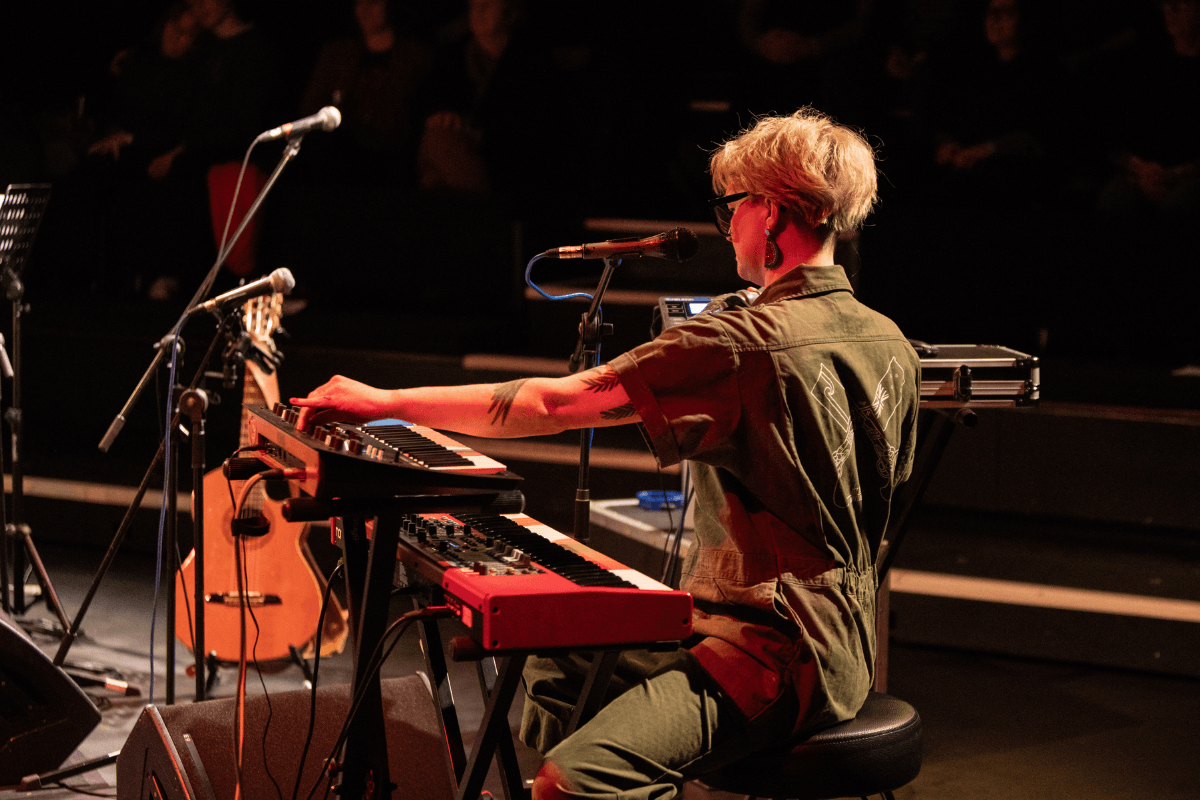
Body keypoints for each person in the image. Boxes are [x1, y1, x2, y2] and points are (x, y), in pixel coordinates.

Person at [293, 107, 920, 799]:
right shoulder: (885, 336)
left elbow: (549, 405)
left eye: (731, 206)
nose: (727, 225)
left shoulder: (741, 340)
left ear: (770, 213)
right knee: (554, 665)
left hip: (771, 652)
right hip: (842, 643)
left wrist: (384, 401)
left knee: (572, 779)